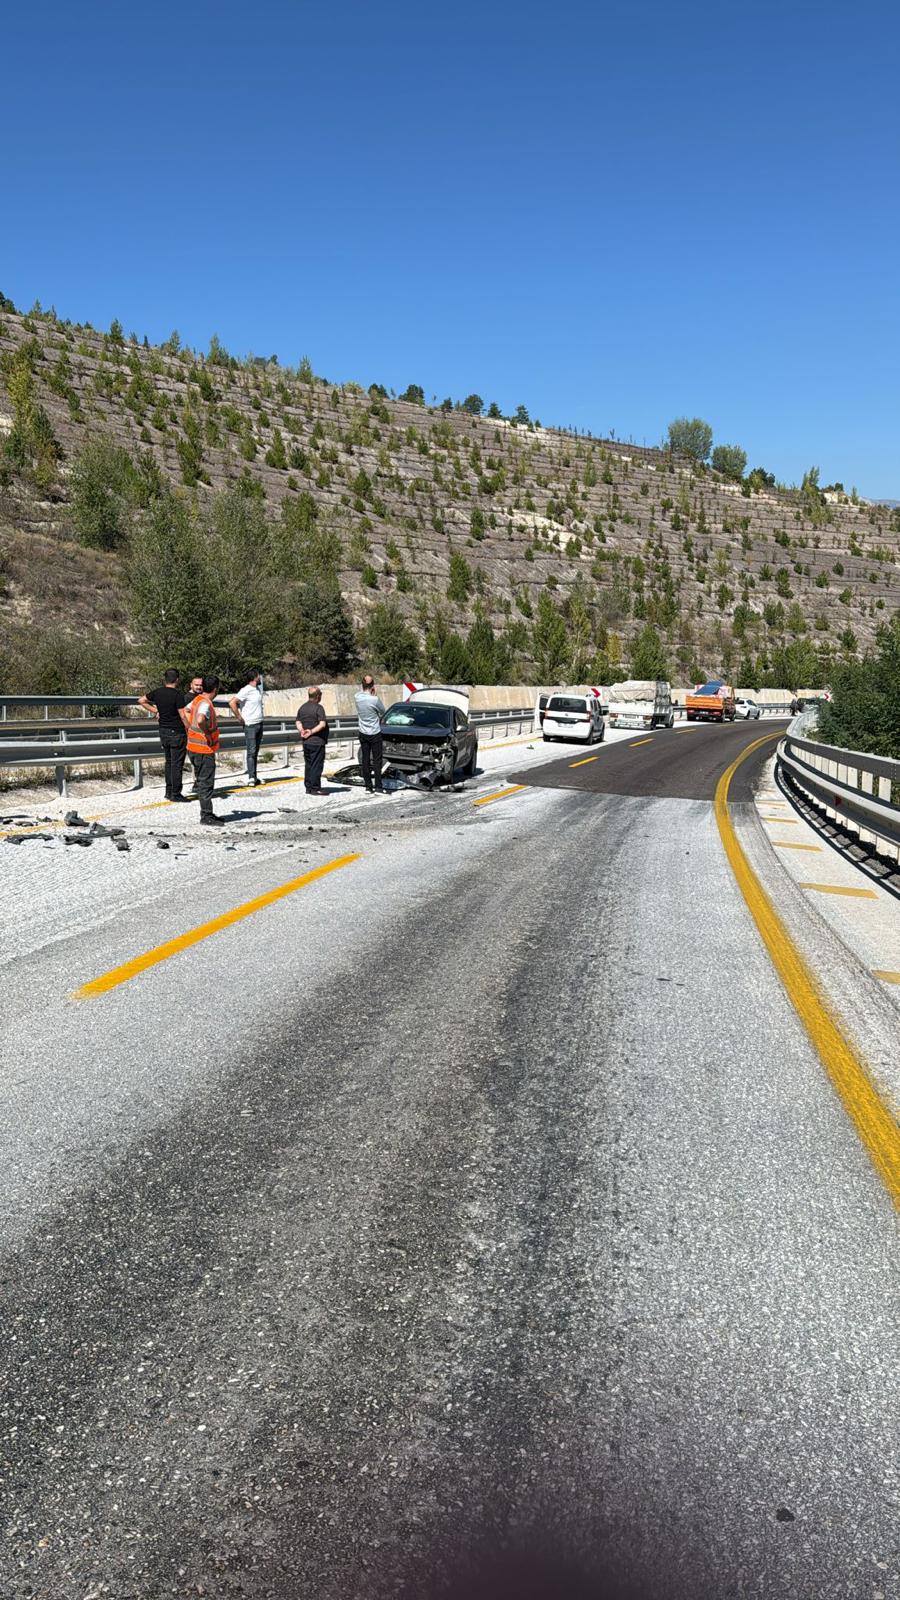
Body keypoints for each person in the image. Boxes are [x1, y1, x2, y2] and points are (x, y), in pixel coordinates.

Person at [138, 668, 188, 802]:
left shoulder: (157, 692)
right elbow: (183, 715)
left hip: (163, 730)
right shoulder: (178, 695)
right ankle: (176, 794)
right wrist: (189, 728)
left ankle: (168, 791)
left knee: (169, 762)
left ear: (165, 679)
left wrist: (156, 711)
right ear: (177, 679)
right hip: (177, 731)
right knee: (177, 763)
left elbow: (141, 700)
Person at [186, 676, 224, 825]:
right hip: (203, 749)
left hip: (193, 747)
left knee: (202, 782)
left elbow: (187, 711)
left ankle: (208, 813)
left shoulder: (197, 699)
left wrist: (191, 727)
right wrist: (207, 733)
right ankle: (206, 816)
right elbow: (201, 719)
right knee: (206, 783)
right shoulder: (205, 704)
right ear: (215, 689)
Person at [229, 669, 265, 786]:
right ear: (255, 678)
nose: (260, 678)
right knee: (251, 751)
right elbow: (232, 702)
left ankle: (254, 776)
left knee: (256, 751)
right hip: (250, 725)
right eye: (258, 676)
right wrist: (239, 717)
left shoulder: (257, 690)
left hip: (259, 723)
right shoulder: (246, 690)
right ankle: (250, 778)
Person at [354, 673, 386, 793]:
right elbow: (383, 712)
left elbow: (360, 692)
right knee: (377, 760)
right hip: (375, 732)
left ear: (362, 685)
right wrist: (374, 694)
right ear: (373, 686)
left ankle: (368, 786)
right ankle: (378, 786)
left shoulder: (357, 697)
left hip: (363, 732)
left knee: (365, 760)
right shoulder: (375, 699)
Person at [295, 686, 329, 795]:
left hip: (306, 742)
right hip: (317, 741)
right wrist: (311, 731)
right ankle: (315, 788)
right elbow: (322, 724)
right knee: (317, 765)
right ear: (318, 696)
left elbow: (298, 721)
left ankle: (308, 787)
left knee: (308, 764)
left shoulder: (302, 708)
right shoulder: (319, 708)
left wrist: (302, 731)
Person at [183, 674, 204, 793]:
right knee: (196, 760)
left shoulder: (202, 697)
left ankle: (198, 784)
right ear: (191, 685)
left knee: (200, 760)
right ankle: (197, 784)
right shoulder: (187, 698)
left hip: (200, 733)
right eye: (196, 685)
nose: (199, 687)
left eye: (201, 685)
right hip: (191, 733)